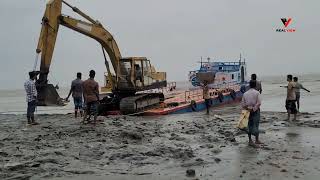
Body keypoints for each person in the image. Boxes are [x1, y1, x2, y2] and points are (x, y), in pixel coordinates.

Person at [241, 80, 262, 148]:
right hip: (255, 110)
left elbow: (243, 104)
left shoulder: (245, 93)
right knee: (256, 124)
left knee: (249, 125)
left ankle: (250, 140)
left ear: (249, 85)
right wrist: (254, 109)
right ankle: (257, 139)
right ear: (255, 85)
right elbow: (259, 103)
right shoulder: (257, 93)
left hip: (247, 110)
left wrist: (248, 108)